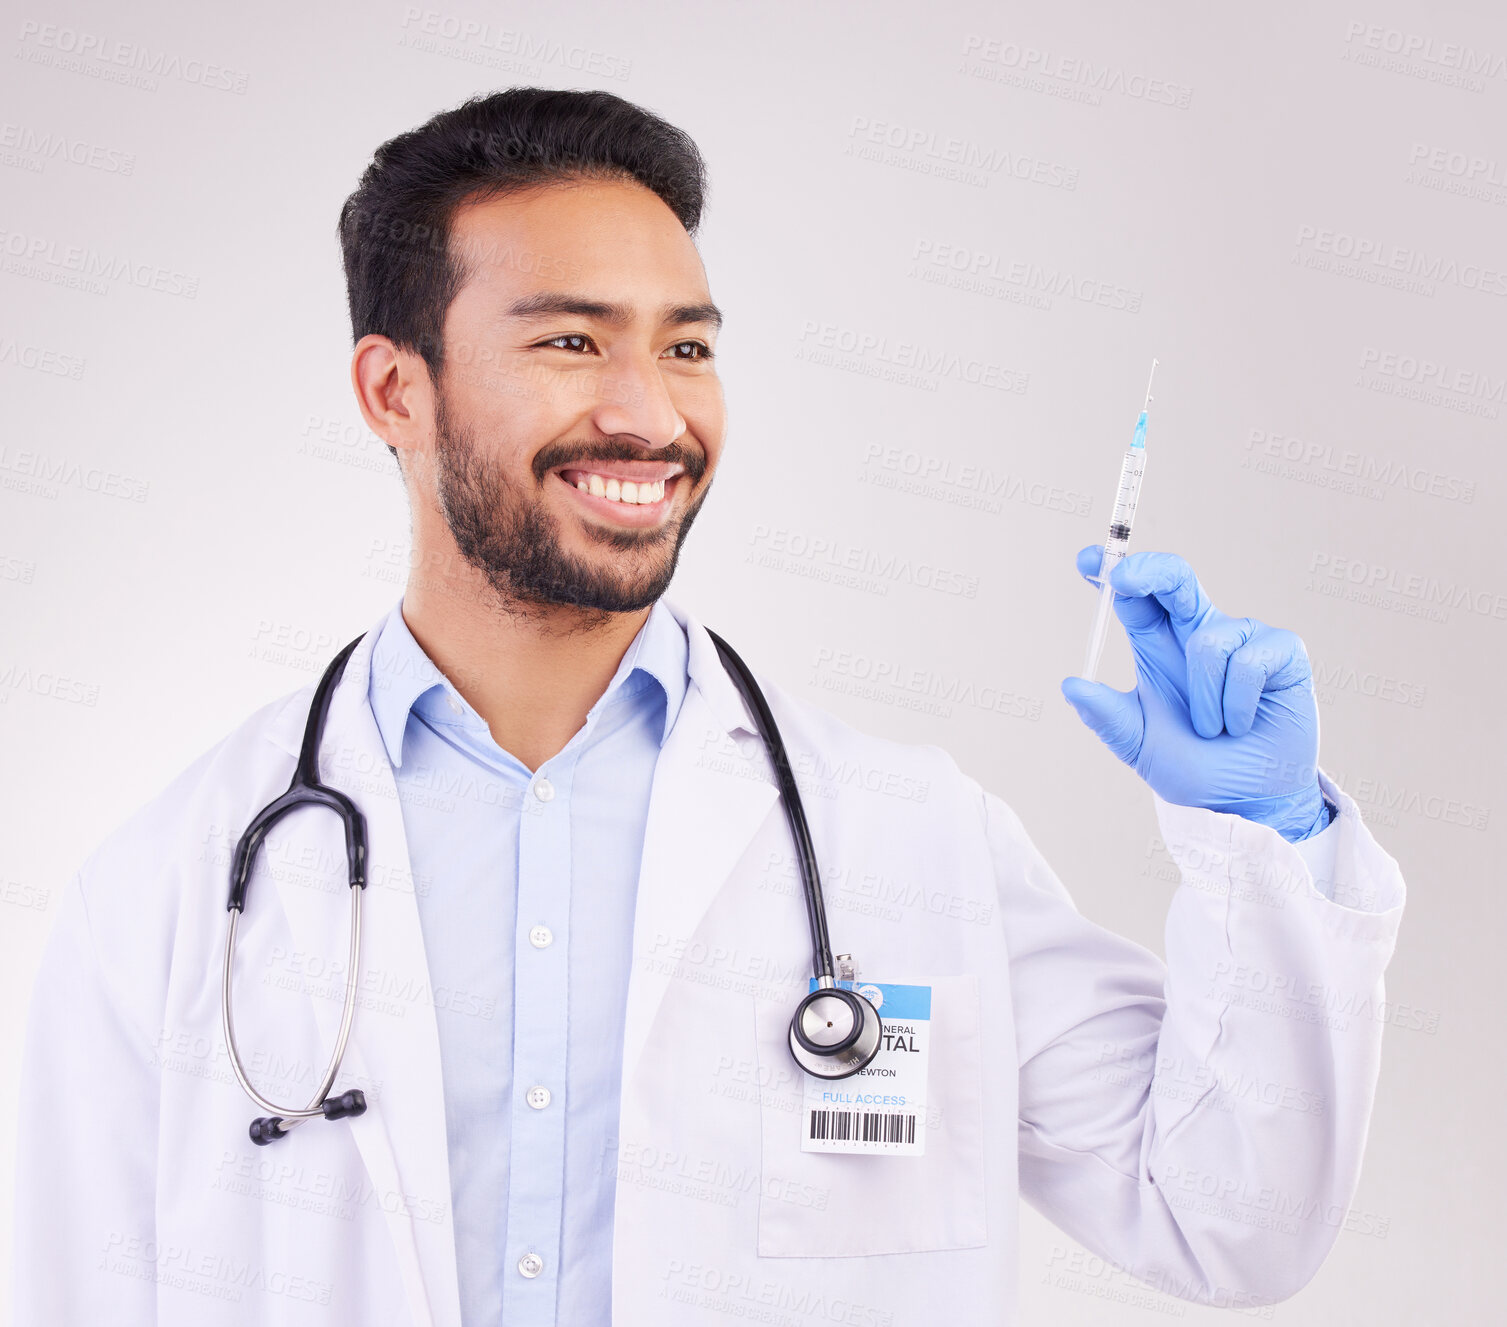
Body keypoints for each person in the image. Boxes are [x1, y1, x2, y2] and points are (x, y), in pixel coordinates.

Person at [13, 87, 1406, 1327]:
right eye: (569, 340)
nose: (650, 414)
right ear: (395, 388)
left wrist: (1264, 838)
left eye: (686, 350)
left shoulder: (908, 842)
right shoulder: (171, 887)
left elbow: (1229, 1221)